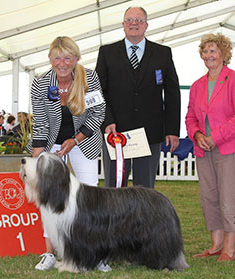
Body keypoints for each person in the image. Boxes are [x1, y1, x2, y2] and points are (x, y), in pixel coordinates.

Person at [28, 36, 108, 271]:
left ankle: (95, 254)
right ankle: (49, 253)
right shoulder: (41, 84)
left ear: (76, 58)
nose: (62, 63)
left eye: (67, 57)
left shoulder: (89, 78)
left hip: (84, 141)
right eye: (57, 58)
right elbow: (41, 123)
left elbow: (98, 113)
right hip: (52, 143)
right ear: (50, 59)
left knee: (90, 196)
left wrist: (75, 140)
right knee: (49, 197)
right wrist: (38, 156)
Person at [96, 6, 181, 188]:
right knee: (114, 190)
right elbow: (98, 91)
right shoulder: (106, 53)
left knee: (146, 191)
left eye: (138, 20)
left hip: (150, 133)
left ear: (146, 25)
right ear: (123, 24)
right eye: (129, 20)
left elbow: (172, 93)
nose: (134, 24)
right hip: (115, 132)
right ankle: (115, 219)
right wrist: (107, 121)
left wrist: (172, 130)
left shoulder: (163, 53)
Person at [185, 33, 235, 261]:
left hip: (227, 148)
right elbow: (190, 117)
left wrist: (215, 137)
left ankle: (229, 248)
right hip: (203, 149)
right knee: (209, 197)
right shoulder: (197, 85)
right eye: (205, 51)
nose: (208, 55)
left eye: (213, 51)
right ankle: (215, 246)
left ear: (224, 54)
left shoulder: (233, 80)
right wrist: (196, 135)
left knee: (228, 197)